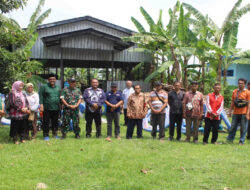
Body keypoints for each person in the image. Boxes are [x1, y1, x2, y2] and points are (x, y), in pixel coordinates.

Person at [227, 78, 250, 145]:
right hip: (236, 112)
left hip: (244, 112)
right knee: (233, 127)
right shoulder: (235, 91)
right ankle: (230, 139)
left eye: (241, 83)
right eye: (239, 83)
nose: (240, 84)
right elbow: (232, 102)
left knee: (243, 128)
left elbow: (249, 103)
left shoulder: (248, 92)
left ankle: (241, 141)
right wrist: (230, 111)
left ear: (244, 84)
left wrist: (248, 113)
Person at [39, 74, 61, 141]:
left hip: (56, 108)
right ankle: (46, 134)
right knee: (46, 122)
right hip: (47, 108)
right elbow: (40, 96)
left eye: (53, 79)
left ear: (55, 80)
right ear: (48, 80)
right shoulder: (44, 87)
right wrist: (41, 105)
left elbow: (60, 96)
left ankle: (55, 134)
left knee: (55, 122)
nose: (52, 80)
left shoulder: (58, 87)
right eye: (50, 79)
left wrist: (61, 104)